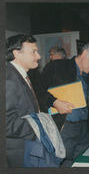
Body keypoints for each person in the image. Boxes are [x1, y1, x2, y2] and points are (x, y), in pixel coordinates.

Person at [40, 43, 89, 167]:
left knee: (83, 162)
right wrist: (54, 102)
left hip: (83, 128)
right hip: (64, 127)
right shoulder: (57, 66)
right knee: (61, 163)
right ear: (85, 54)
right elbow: (38, 90)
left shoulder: (88, 77)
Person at [5, 34, 64, 167]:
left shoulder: (19, 75)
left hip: (28, 145)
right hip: (20, 151)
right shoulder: (9, 80)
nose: (39, 56)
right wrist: (41, 127)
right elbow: (6, 123)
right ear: (17, 53)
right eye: (34, 52)